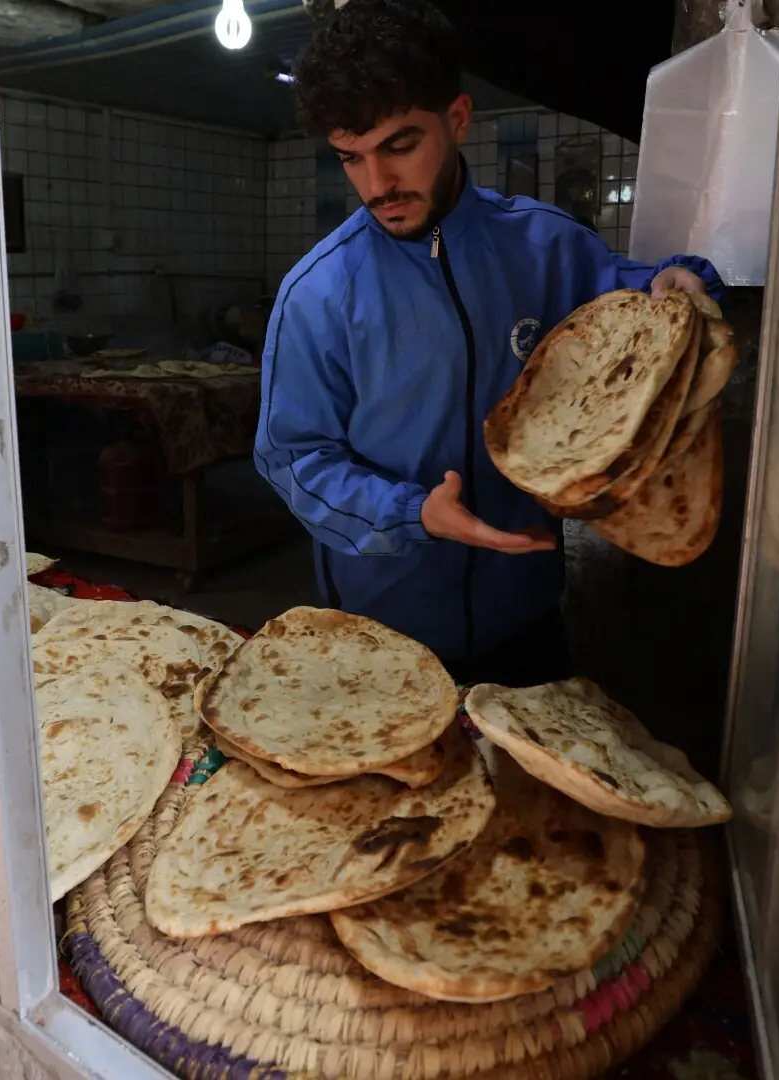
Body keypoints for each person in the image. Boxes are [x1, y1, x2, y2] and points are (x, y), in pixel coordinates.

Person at [254, 0, 720, 687]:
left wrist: (684, 279)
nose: (376, 186)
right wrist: (413, 513)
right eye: (351, 158)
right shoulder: (318, 294)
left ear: (459, 119)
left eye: (400, 146)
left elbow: (639, 300)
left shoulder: (546, 245)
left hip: (525, 621)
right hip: (384, 635)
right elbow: (295, 460)